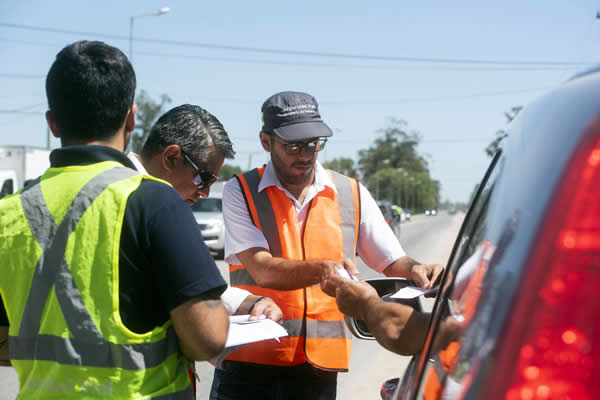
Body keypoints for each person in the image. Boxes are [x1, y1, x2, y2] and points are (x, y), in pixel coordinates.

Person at [0, 40, 229, 399]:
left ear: (52, 122)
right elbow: (208, 340)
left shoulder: (7, 213)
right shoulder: (154, 200)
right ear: (132, 118)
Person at [209, 90, 444, 400]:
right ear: (266, 142)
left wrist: (417, 269)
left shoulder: (350, 192)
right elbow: (261, 268)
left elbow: (390, 261)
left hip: (319, 368)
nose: (305, 154)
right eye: (293, 145)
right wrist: (324, 269)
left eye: (313, 144)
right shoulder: (242, 191)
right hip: (251, 363)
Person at [129, 103, 283, 323]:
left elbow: (195, 285)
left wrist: (252, 303)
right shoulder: (121, 195)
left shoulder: (162, 206)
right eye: (204, 178)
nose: (205, 192)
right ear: (171, 158)